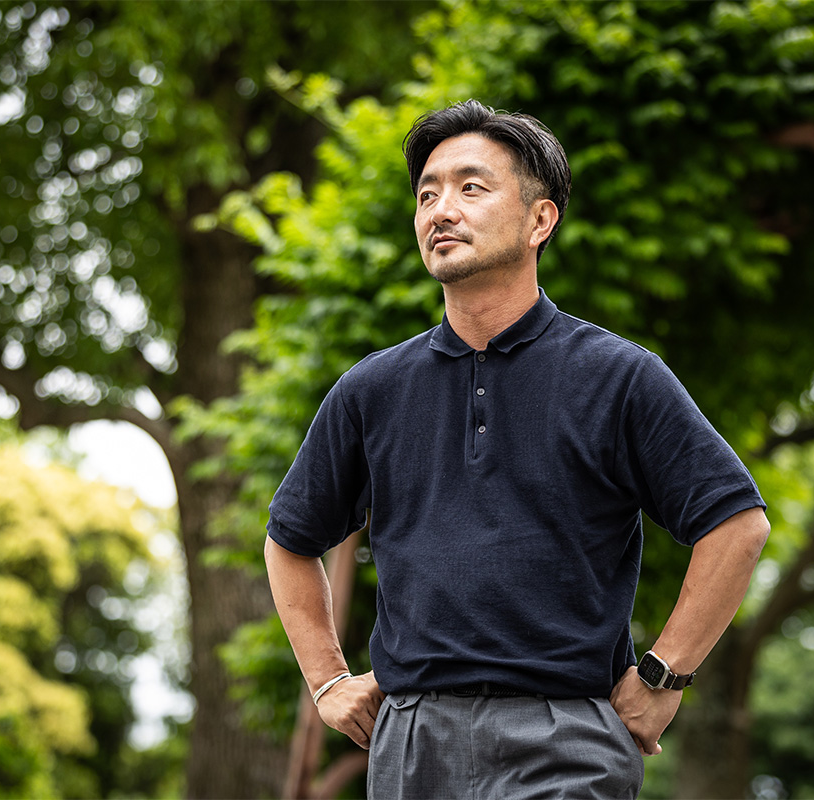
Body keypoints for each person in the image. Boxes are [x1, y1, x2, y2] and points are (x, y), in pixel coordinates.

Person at [264, 99, 770, 799]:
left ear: (540, 220)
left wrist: (663, 675)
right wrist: (327, 681)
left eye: (470, 188)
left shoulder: (620, 376)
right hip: (412, 745)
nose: (441, 210)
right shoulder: (370, 390)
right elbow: (289, 541)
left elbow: (737, 525)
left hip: (569, 741)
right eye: (427, 195)